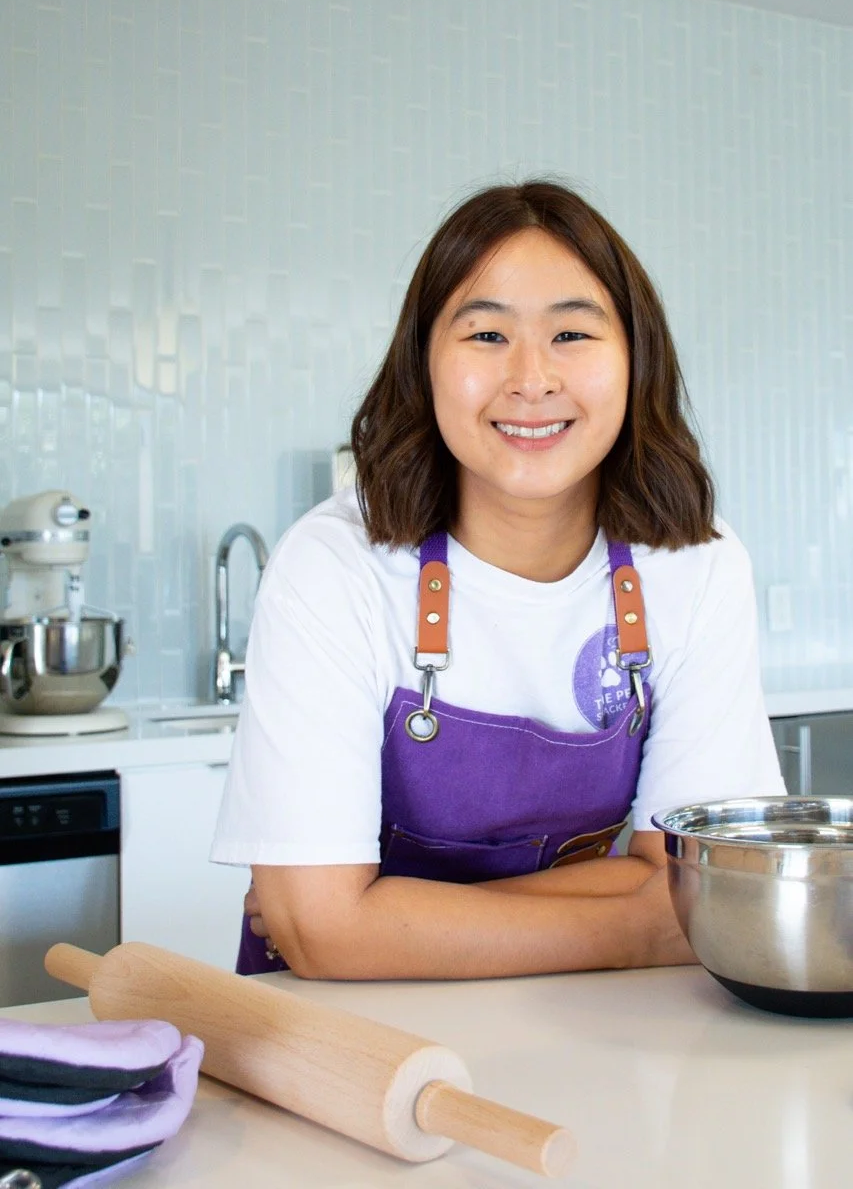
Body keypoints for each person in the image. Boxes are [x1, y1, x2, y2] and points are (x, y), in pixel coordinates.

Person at [211, 179, 785, 981]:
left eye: (572, 335)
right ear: (425, 363)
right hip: (349, 1047)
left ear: (635, 359)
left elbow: (712, 895)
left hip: (593, 1033)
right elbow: (318, 936)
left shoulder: (694, 562)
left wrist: (377, 917)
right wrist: (651, 914)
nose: (530, 379)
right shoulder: (335, 565)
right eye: (485, 335)